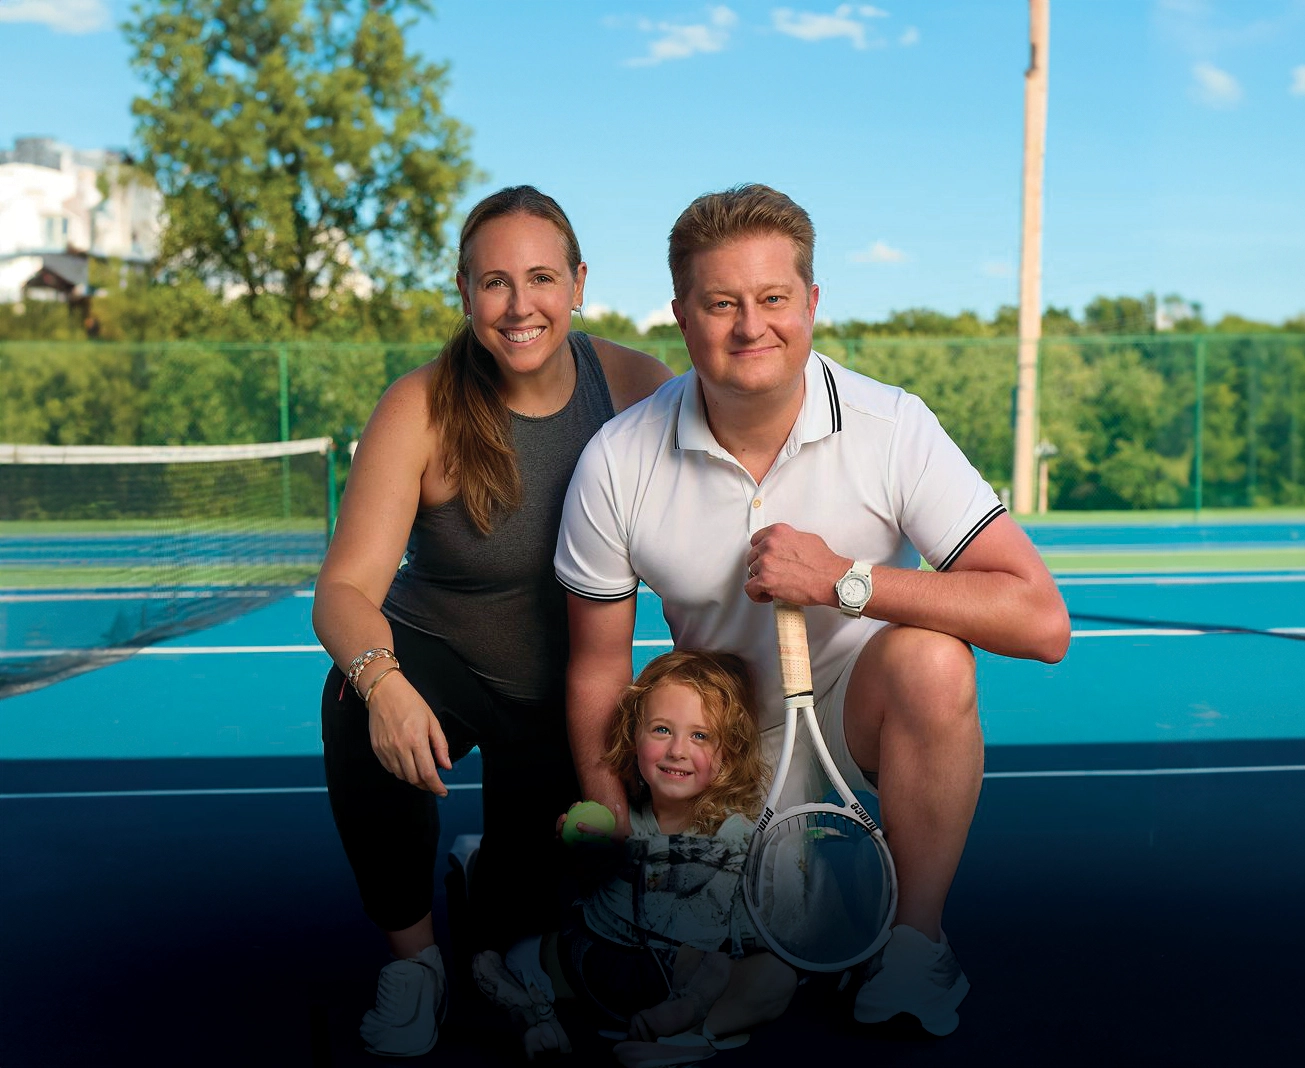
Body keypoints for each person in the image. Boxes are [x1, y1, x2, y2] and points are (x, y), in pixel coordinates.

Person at [555, 184, 1071, 1038]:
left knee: (932, 660)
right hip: (709, 744)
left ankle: (914, 946)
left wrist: (843, 579)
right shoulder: (616, 459)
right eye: (720, 303)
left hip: (853, 717)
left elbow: (1040, 621)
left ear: (812, 304)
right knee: (706, 976)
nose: (749, 326)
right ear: (682, 317)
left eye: (772, 299)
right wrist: (619, 827)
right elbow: (598, 666)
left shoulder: (892, 426)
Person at [313, 185, 672, 1058]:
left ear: (578, 283)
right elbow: (343, 592)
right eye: (496, 283)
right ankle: (415, 966)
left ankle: (489, 873)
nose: (521, 306)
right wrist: (385, 685)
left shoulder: (634, 385)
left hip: (567, 688)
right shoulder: (421, 405)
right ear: (466, 292)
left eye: (542, 278)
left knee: (543, 903)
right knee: (354, 708)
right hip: (440, 664)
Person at [470, 649, 797, 1067]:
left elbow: (750, 930)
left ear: (727, 755)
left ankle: (686, 1032)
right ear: (633, 736)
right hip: (602, 965)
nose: (677, 750)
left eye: (700, 736)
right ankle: (539, 1019)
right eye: (662, 729)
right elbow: (581, 888)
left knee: (774, 975)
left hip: (688, 974)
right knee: (506, 957)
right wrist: (579, 849)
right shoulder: (615, 821)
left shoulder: (738, 837)